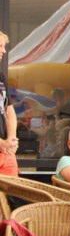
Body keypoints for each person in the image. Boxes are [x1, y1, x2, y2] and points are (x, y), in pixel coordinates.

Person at [0, 31, 19, 176]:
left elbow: (9, 110)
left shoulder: (1, 76)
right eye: (0, 46)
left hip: (5, 151)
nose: (4, 51)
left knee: (15, 193)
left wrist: (11, 139)